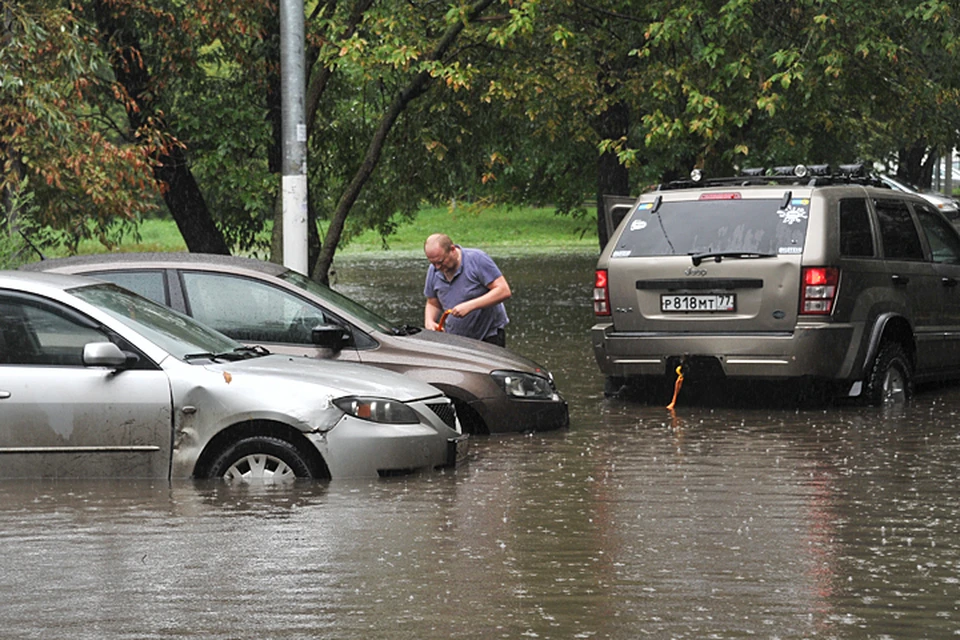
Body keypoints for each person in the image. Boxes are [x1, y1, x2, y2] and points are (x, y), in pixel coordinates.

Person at [423, 233, 511, 346]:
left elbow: (503, 290)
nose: (437, 267)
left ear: (452, 249)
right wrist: (429, 321)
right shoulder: (433, 270)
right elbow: (433, 303)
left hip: (488, 335)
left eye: (440, 262)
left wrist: (470, 306)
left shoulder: (477, 259)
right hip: (456, 338)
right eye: (432, 263)